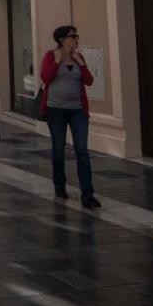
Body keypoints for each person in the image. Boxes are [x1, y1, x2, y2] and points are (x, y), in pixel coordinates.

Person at [40, 24, 100, 210]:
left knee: (82, 150)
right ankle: (59, 185)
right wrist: (57, 62)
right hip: (55, 110)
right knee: (58, 149)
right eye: (72, 36)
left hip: (78, 111)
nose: (76, 39)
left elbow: (89, 81)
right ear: (61, 40)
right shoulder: (51, 55)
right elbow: (45, 78)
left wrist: (81, 64)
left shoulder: (78, 57)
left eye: (76, 36)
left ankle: (88, 194)